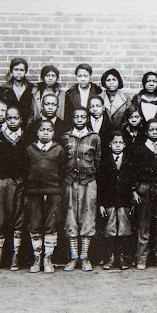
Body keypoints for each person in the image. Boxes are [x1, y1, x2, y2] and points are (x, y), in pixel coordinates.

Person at [60, 107, 101, 272]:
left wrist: (89, 174)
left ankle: (85, 257)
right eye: (76, 116)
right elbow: (62, 160)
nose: (79, 120)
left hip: (88, 182)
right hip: (70, 182)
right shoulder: (65, 137)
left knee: (88, 218)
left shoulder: (94, 138)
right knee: (71, 218)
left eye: (83, 117)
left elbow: (97, 160)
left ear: (87, 118)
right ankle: (73, 257)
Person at [24, 120, 65, 273]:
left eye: (49, 130)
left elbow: (62, 170)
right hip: (34, 192)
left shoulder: (58, 150)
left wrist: (57, 188)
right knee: (35, 223)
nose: (45, 133)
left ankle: (48, 258)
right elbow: (25, 169)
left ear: (54, 133)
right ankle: (37, 257)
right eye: (42, 130)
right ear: (37, 132)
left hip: (53, 192)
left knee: (51, 223)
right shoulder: (30, 149)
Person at [0, 107, 26, 271]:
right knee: (0, 218)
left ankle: (15, 255)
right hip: (3, 184)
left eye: (15, 118)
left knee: (19, 218)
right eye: (9, 118)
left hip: (21, 183)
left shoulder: (26, 138)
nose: (12, 121)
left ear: (20, 120)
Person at [131, 119, 157, 270]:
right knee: (144, 225)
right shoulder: (141, 148)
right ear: (146, 132)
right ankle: (141, 258)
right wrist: (135, 190)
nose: (154, 132)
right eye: (151, 130)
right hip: (144, 189)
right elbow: (134, 170)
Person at [97, 132, 134, 270]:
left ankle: (123, 257)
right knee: (110, 229)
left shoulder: (129, 160)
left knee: (124, 229)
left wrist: (131, 201)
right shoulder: (105, 161)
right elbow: (100, 183)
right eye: (115, 143)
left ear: (124, 145)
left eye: (120, 143)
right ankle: (110, 257)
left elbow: (132, 182)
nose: (117, 146)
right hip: (109, 201)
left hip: (124, 201)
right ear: (109, 144)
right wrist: (101, 203)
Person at [0, 58, 33, 130]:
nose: (19, 72)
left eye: (22, 70)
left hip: (27, 124)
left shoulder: (30, 88)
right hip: (9, 124)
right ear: (11, 70)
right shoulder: (4, 88)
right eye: (16, 69)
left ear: (25, 71)